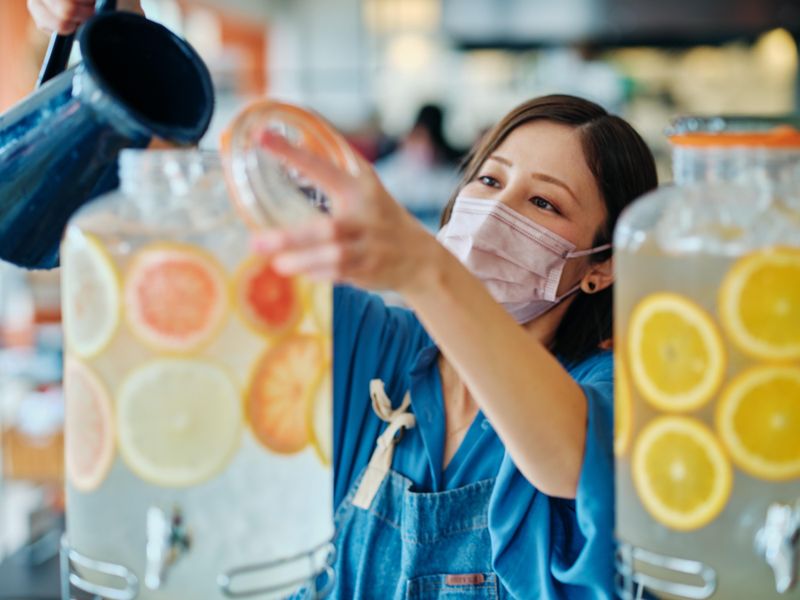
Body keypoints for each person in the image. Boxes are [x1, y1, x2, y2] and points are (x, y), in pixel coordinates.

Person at [253, 95, 658, 598]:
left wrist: (425, 268)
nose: (494, 210)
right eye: (489, 181)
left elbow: (571, 459)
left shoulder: (610, 391)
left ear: (603, 266)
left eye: (544, 203)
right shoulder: (381, 346)